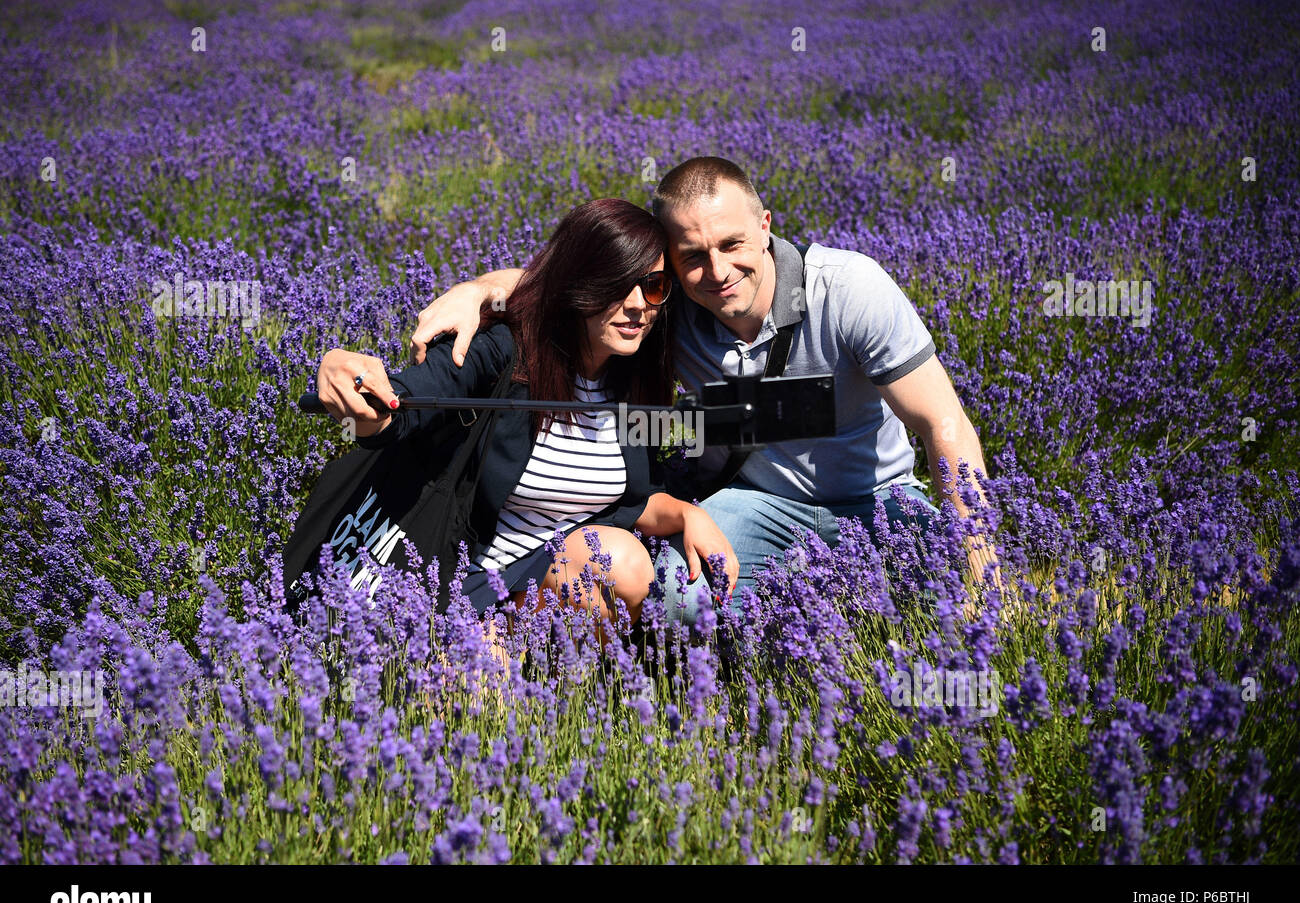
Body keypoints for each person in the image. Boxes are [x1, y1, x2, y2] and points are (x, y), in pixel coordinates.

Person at [408, 157, 1006, 626]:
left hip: (877, 497)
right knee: (678, 604)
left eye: (732, 245)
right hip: (761, 502)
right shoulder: (674, 305)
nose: (717, 272)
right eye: (692, 257)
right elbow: (571, 288)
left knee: (950, 600)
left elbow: (943, 427)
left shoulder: (849, 290)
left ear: (765, 226)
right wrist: (479, 291)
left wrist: (985, 579)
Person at [314, 197, 738, 649]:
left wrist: (688, 512)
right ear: (579, 284)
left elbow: (630, 502)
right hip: (466, 578)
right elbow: (410, 402)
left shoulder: (632, 376)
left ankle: (535, 671)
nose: (637, 305)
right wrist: (355, 387)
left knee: (625, 564)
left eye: (653, 286)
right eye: (615, 285)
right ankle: (488, 651)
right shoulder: (504, 352)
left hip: (547, 578)